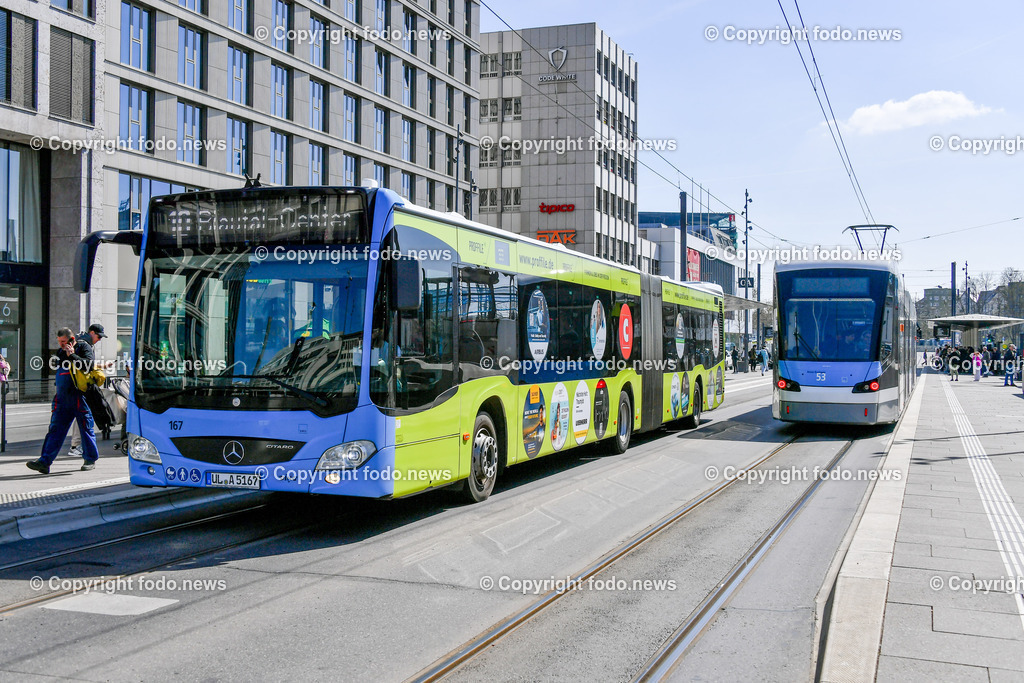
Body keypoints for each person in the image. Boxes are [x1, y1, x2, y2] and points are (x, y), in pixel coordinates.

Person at [26, 328, 100, 474]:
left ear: (72, 339)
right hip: (62, 398)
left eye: (64, 342)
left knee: (85, 428)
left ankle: (90, 459)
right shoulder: (61, 352)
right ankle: (44, 462)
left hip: (79, 396)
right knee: (55, 430)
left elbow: (88, 365)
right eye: (59, 342)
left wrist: (72, 355)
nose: (61, 345)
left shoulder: (83, 347)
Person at [68, 323, 106, 457]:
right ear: (92, 332)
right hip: (81, 387)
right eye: (99, 336)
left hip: (71, 385)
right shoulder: (85, 345)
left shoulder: (76, 342)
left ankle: (76, 445)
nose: (99, 339)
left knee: (74, 417)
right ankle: (77, 446)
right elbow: (87, 365)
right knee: (84, 416)